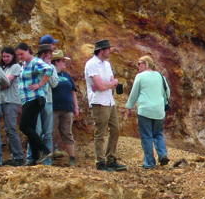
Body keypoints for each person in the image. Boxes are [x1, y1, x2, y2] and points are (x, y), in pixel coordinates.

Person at [85, 39, 126, 172]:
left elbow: (109, 83)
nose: (110, 51)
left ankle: (110, 159)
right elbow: (101, 85)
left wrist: (107, 84)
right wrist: (108, 84)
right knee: (100, 133)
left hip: (109, 100)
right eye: (108, 49)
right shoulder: (91, 64)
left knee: (116, 129)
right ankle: (100, 162)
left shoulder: (107, 64)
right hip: (99, 102)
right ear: (102, 50)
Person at [126, 56, 170, 169]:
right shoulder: (161, 76)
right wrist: (163, 103)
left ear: (145, 64)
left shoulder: (140, 77)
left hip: (145, 110)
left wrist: (129, 108)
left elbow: (134, 93)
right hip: (159, 110)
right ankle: (163, 154)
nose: (138, 66)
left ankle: (149, 163)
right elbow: (167, 92)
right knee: (158, 133)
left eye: (139, 63)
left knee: (146, 136)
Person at [15, 42, 54, 166]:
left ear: (28, 51)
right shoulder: (24, 64)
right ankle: (34, 157)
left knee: (23, 126)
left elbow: (49, 69)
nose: (20, 56)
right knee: (30, 128)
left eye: (21, 54)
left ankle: (44, 149)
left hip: (35, 98)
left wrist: (40, 84)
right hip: (27, 99)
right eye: (18, 55)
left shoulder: (34, 62)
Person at [25, 43, 58, 166]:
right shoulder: (34, 66)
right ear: (44, 54)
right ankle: (31, 159)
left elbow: (55, 84)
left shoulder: (51, 67)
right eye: (49, 54)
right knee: (35, 131)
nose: (51, 55)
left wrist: (49, 68)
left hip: (47, 101)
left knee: (47, 133)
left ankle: (47, 162)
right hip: (35, 100)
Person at [51, 50, 79, 167]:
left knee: (67, 133)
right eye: (62, 61)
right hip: (53, 108)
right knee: (51, 133)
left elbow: (73, 91)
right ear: (56, 62)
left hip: (67, 109)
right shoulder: (50, 75)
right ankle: (49, 157)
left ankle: (72, 158)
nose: (65, 63)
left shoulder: (67, 75)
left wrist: (75, 106)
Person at [0, 46, 25, 167]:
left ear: (12, 56)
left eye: (7, 56)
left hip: (12, 101)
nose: (5, 58)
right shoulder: (4, 68)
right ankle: (14, 156)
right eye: (4, 56)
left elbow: (6, 82)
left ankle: (19, 156)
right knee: (8, 129)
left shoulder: (16, 67)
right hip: (4, 101)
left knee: (11, 129)